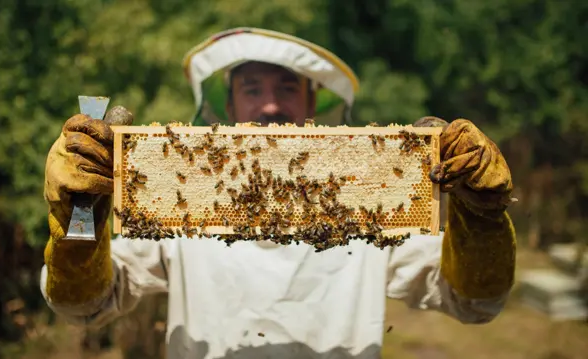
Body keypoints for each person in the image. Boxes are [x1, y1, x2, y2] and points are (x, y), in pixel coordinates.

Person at [41, 28, 516, 359]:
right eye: (253, 88)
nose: (270, 104)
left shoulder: (370, 202)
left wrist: (479, 218)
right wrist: (84, 217)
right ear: (229, 106)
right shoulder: (182, 195)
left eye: (287, 87)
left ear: (311, 103)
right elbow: (84, 304)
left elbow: (471, 300)